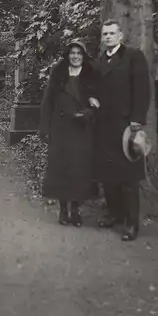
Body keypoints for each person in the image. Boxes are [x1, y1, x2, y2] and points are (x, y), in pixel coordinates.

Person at [89, 20, 150, 241]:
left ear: (120, 35)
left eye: (112, 33)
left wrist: (137, 120)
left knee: (129, 177)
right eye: (105, 34)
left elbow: (142, 90)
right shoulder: (99, 61)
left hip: (126, 126)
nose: (107, 37)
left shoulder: (133, 56)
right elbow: (94, 88)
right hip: (104, 127)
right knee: (108, 175)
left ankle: (132, 223)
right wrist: (92, 97)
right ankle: (114, 214)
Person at [40, 40, 100, 227]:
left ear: (83, 56)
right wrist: (45, 128)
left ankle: (76, 211)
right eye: (72, 53)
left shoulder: (91, 75)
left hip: (81, 129)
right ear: (68, 56)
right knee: (61, 169)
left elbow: (98, 103)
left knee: (79, 170)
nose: (75, 56)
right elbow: (47, 103)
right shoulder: (58, 74)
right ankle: (63, 210)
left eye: (79, 53)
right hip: (60, 128)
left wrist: (88, 113)